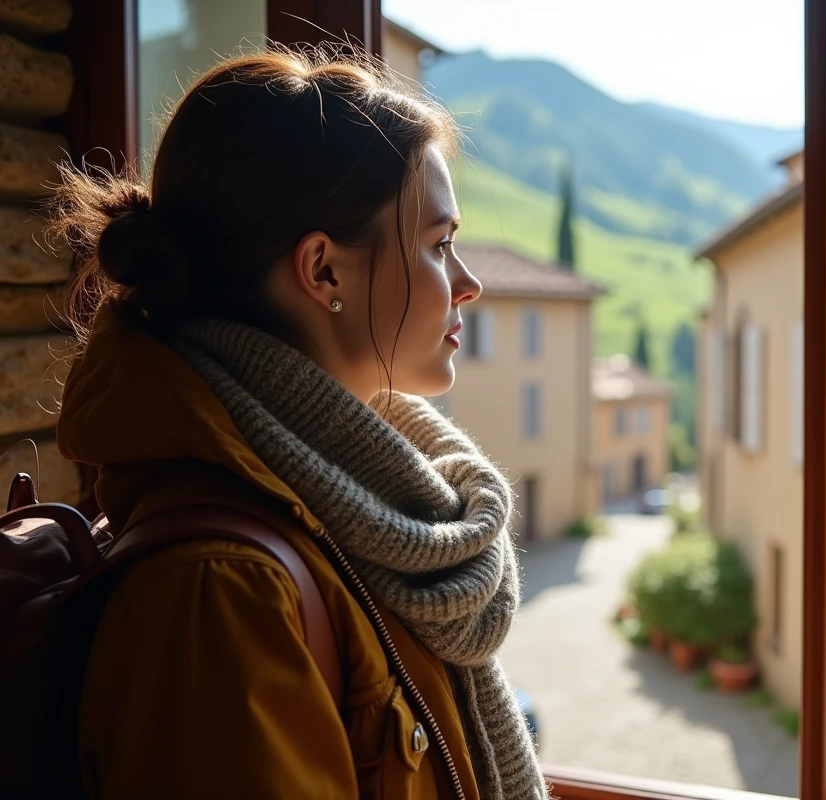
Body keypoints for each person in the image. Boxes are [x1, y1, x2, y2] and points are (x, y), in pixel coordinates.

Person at [47, 46, 545, 800]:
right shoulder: (220, 593)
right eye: (439, 245)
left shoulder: (353, 508)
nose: (468, 285)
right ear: (323, 271)